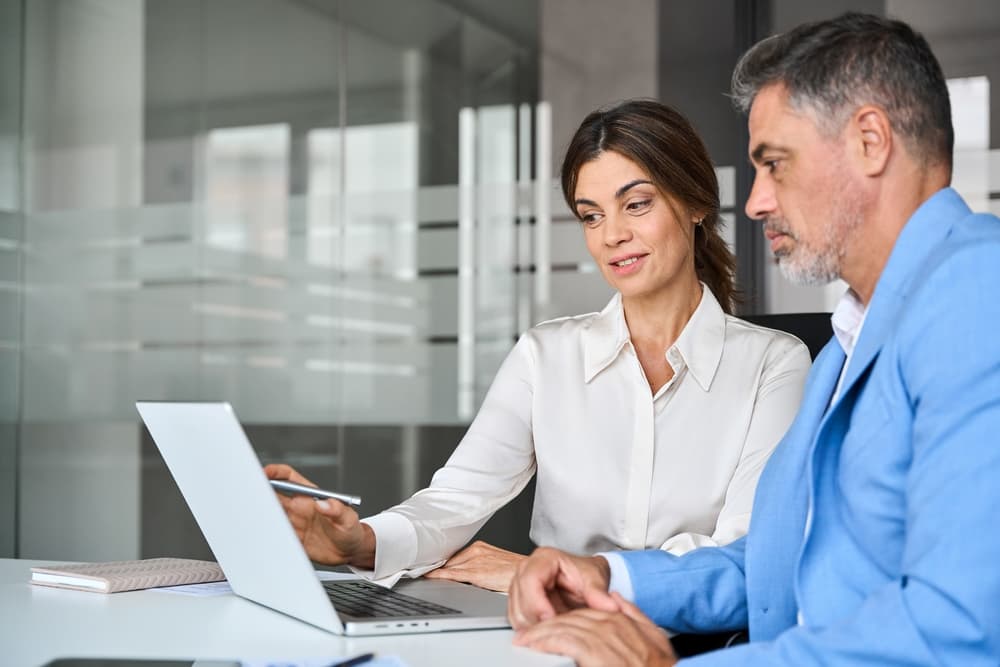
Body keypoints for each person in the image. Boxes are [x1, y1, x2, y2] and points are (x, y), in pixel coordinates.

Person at [507, 11, 1000, 666]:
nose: (758, 199)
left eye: (775, 164)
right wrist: (608, 576)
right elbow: (772, 571)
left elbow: (956, 627)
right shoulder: (847, 345)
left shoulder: (977, 291)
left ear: (871, 141)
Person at [266, 100, 811, 593]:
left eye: (636, 204)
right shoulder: (545, 355)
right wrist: (362, 542)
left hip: (700, 646)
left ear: (696, 205)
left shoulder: (775, 364)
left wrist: (548, 574)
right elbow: (457, 498)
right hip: (550, 637)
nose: (610, 235)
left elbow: (746, 549)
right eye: (591, 214)